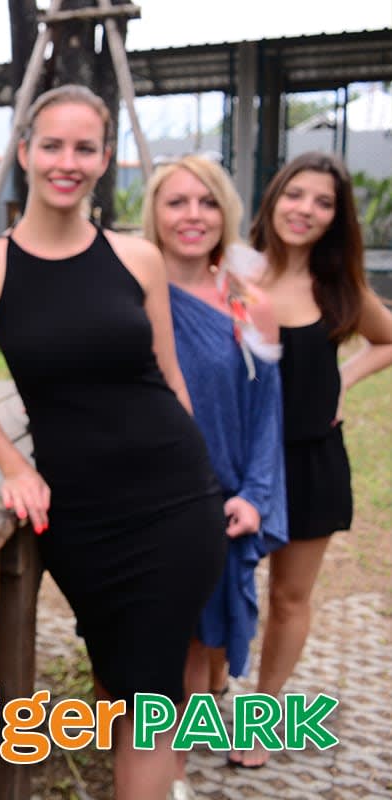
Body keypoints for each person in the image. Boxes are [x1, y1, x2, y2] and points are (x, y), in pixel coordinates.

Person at [0, 85, 226, 800]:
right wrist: (15, 466)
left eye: (85, 148)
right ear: (25, 152)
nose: (67, 162)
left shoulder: (139, 259)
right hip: (81, 516)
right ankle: (161, 780)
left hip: (174, 499)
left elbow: (170, 378)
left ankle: (157, 780)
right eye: (53, 145)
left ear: (104, 159)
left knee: (148, 696)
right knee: (120, 673)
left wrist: (203, 474)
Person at [238, 151, 392, 768]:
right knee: (217, 591)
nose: (305, 209)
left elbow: (386, 338)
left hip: (310, 462)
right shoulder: (232, 271)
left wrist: (342, 380)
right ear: (274, 198)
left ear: (336, 217)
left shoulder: (338, 287)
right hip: (236, 463)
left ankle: (258, 720)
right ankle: (204, 698)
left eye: (323, 202)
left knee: (288, 598)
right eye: (295, 194)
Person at [142, 156, 289, 783]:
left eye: (206, 202)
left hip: (219, 501)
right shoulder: (127, 294)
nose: (192, 216)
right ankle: (153, 771)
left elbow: (266, 414)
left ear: (225, 213)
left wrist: (255, 494)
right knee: (149, 645)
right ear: (153, 213)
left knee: (201, 646)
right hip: (145, 499)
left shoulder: (249, 304)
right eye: (176, 202)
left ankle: (170, 774)